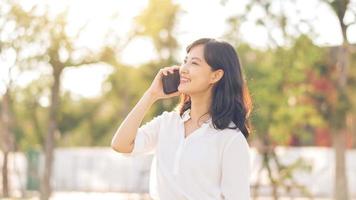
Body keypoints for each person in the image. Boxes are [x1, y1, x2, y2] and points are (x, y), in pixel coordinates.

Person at [111, 38, 253, 200]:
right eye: (184, 61)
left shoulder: (230, 139)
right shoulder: (167, 123)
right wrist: (151, 95)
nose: (183, 69)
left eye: (194, 63)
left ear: (216, 75)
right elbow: (120, 144)